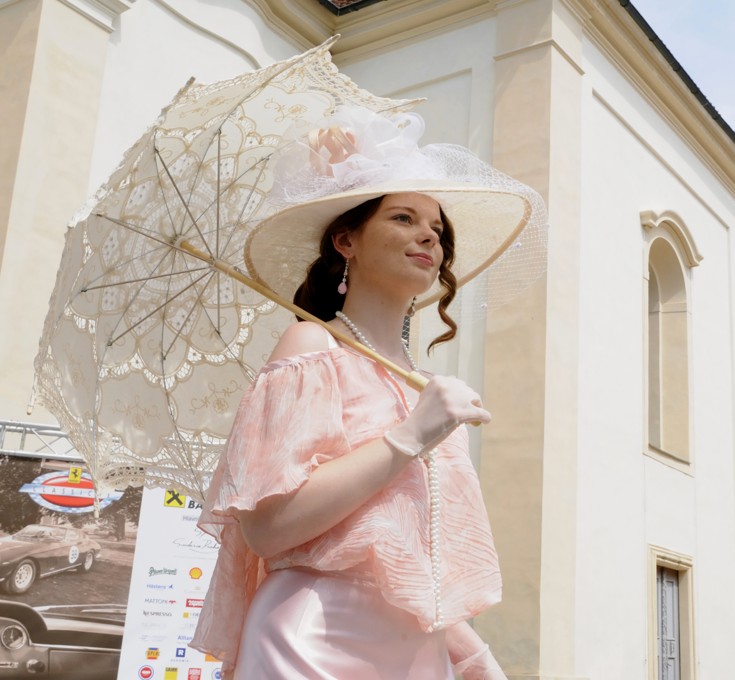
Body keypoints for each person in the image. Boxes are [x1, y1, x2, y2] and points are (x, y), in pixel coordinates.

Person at [189, 105, 543, 679]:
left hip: (418, 653)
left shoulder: (423, 385)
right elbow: (267, 528)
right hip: (315, 640)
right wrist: (409, 437)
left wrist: (476, 659)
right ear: (346, 240)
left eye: (437, 230)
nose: (428, 235)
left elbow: (405, 557)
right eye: (403, 217)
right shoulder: (312, 347)